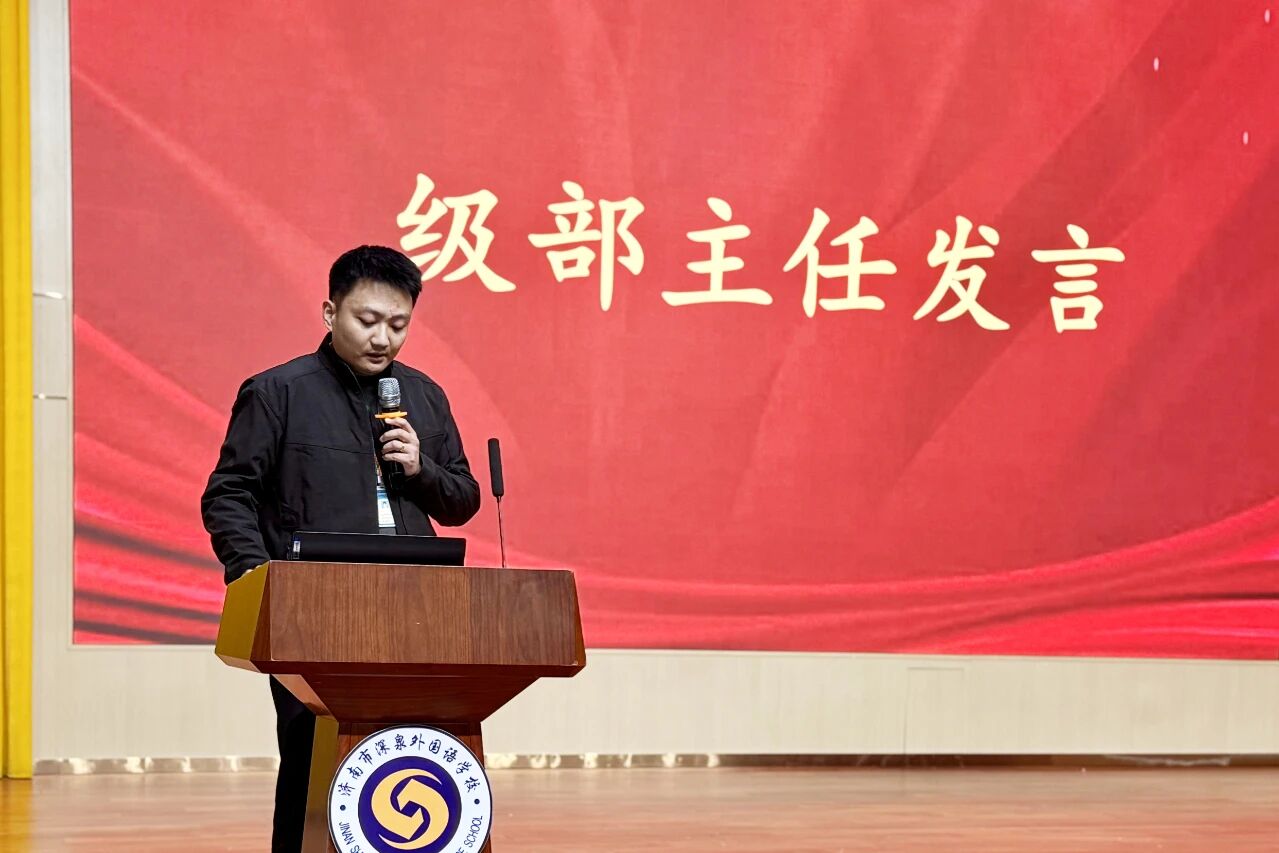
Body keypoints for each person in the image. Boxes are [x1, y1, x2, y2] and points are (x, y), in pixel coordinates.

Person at [200, 245, 481, 851]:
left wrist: (422, 469)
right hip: (314, 611)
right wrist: (259, 581)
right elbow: (229, 495)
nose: (383, 338)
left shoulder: (425, 396)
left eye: (398, 324)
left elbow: (462, 500)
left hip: (418, 608)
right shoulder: (279, 392)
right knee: (313, 758)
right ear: (330, 312)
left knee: (417, 752)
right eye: (367, 320)